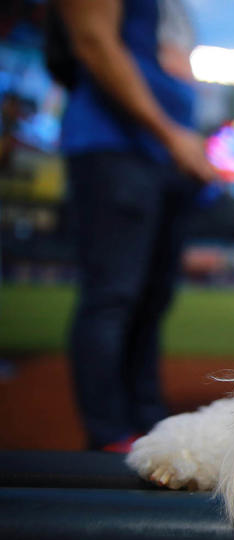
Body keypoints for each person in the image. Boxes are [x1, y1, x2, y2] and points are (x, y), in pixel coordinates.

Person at [55, 0, 216, 451]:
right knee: (114, 296)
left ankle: (145, 423)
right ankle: (109, 435)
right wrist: (170, 134)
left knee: (151, 300)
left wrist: (182, 143)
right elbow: (93, 42)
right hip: (117, 148)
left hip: (165, 158)